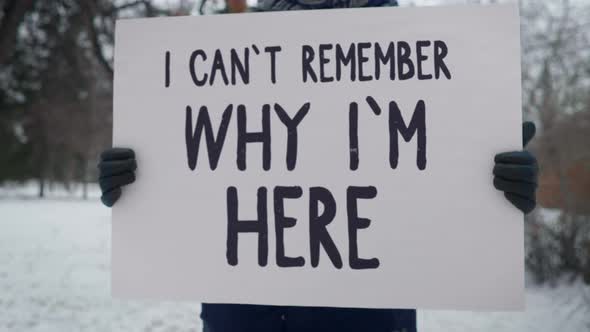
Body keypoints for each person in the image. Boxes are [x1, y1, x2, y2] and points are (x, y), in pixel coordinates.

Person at [98, 1, 539, 331]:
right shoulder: (223, 45)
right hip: (242, 317)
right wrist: (136, 183)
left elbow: (434, 198)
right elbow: (199, 183)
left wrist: (497, 189)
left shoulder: (418, 48)